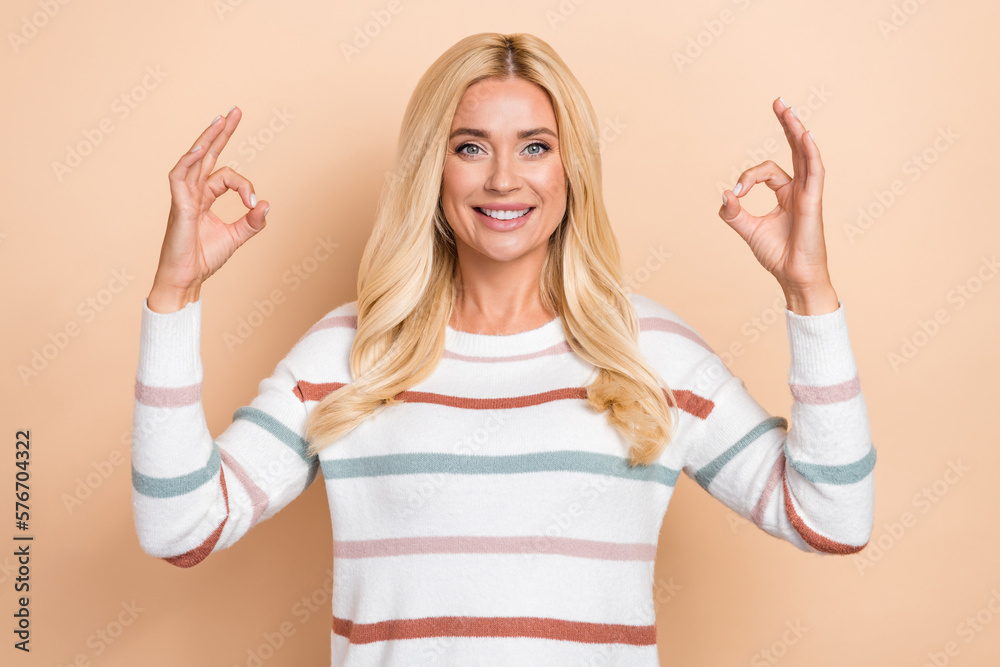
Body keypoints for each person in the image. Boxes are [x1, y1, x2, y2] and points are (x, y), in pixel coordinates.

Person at [131, 32, 875, 666]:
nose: (503, 178)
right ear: (434, 168)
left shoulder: (649, 352)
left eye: (535, 147)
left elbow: (833, 516)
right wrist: (175, 292)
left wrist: (809, 290)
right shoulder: (350, 354)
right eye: (470, 146)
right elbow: (178, 524)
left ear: (569, 167)